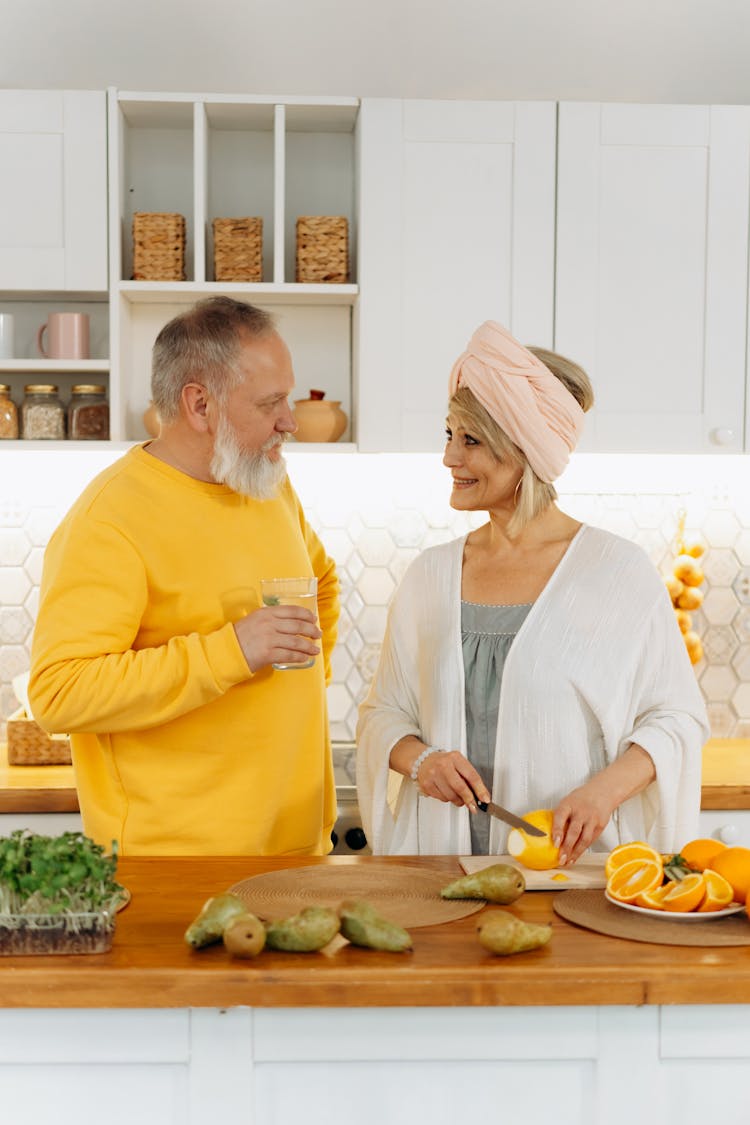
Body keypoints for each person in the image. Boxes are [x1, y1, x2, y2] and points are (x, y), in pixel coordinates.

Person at [357, 321, 708, 862]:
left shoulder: (617, 573)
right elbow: (383, 714)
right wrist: (422, 762)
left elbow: (677, 718)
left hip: (572, 871)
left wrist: (603, 792)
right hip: (440, 873)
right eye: (448, 435)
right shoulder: (429, 576)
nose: (450, 458)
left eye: (471, 440)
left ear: (528, 453)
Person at [29, 296, 340, 857]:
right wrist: (232, 652)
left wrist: (300, 692)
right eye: (271, 403)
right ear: (200, 405)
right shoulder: (111, 518)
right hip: (175, 863)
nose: (289, 421)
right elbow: (59, 692)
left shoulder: (265, 483)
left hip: (296, 849)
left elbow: (320, 579)